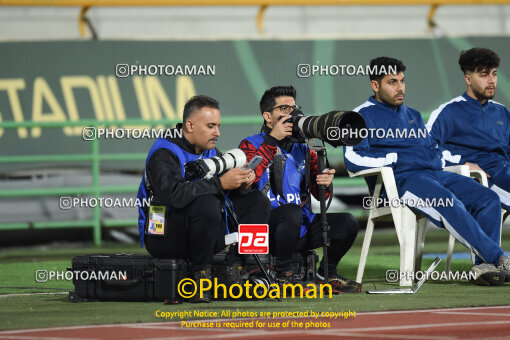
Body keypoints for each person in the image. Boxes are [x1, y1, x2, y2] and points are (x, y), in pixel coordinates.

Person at [344, 56, 509, 285]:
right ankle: (498, 258)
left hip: (435, 174)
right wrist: (394, 157)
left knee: (487, 198)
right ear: (375, 85)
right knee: (447, 201)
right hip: (400, 183)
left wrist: (458, 163)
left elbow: (431, 151)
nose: (400, 87)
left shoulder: (412, 115)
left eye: (402, 81)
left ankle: (484, 267)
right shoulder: (359, 116)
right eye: (392, 82)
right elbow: (353, 158)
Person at [137, 95, 270, 302]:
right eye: (211, 126)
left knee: (257, 202)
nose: (217, 132)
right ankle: (200, 278)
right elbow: (173, 196)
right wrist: (220, 183)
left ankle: (237, 268)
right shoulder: (164, 153)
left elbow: (224, 191)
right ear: (190, 125)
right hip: (163, 236)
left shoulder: (209, 151)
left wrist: (242, 182)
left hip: (202, 234)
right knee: (206, 203)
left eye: (218, 126)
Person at [239, 85, 361, 293]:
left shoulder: (305, 148)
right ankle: (284, 275)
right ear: (268, 116)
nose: (293, 114)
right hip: (265, 230)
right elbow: (247, 181)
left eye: (295, 108)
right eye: (285, 109)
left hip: (300, 228)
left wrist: (324, 183)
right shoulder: (249, 145)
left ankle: (327, 273)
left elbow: (320, 195)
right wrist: (272, 140)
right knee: (291, 212)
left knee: (348, 222)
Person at [427, 47, 510, 214]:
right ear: (468, 79)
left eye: (494, 74)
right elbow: (426, 148)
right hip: (483, 178)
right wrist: (461, 163)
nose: (492, 80)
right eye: (484, 75)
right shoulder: (448, 112)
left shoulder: (502, 112)